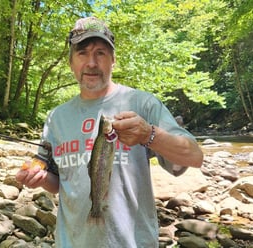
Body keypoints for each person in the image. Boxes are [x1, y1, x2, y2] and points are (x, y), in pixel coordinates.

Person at [16, 16, 203, 248]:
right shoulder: (57, 118)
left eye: (100, 53)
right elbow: (58, 182)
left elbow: (194, 157)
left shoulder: (142, 104)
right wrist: (41, 178)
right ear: (71, 62)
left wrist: (149, 135)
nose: (91, 63)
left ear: (113, 60)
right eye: (82, 53)